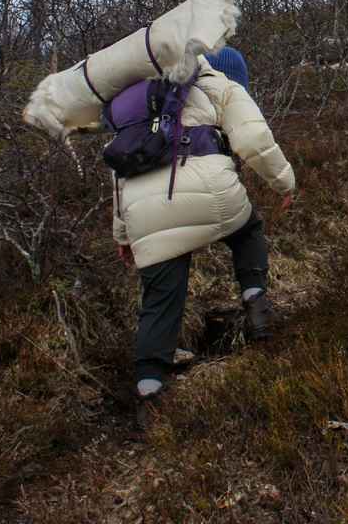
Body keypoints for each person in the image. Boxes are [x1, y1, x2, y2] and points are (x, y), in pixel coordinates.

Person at [112, 45, 295, 414]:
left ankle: (150, 390)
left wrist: (123, 234)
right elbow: (254, 140)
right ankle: (256, 305)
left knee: (161, 297)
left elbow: (119, 168)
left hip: (145, 209)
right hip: (210, 191)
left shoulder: (146, 98)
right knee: (247, 230)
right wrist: (284, 182)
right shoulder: (223, 86)